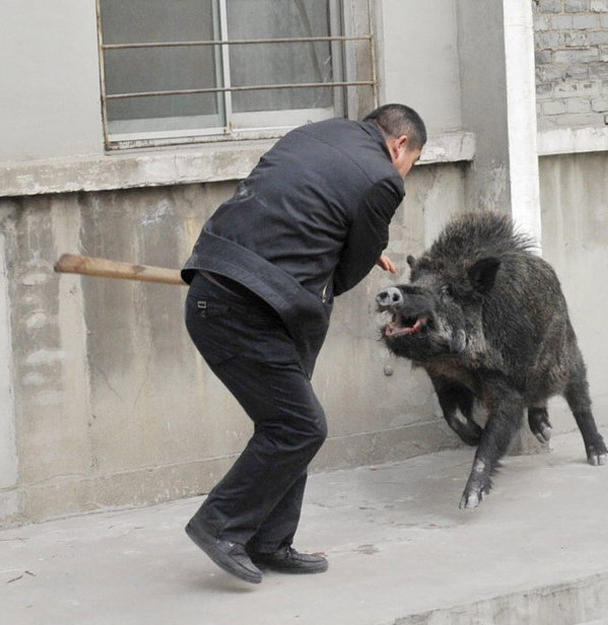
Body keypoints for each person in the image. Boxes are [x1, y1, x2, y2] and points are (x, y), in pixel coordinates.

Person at [179, 104, 426, 584]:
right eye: (411, 163)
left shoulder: (315, 134)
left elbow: (296, 204)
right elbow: (348, 270)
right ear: (400, 146)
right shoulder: (383, 179)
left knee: (287, 423)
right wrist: (358, 246)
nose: (403, 172)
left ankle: (270, 541)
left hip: (221, 286)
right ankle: (218, 525)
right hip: (245, 309)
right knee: (300, 426)